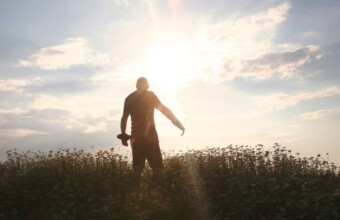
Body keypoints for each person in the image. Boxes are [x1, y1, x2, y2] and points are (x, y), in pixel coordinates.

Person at [119, 77, 185, 186]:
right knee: (156, 166)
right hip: (151, 135)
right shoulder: (150, 96)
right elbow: (164, 110)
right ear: (147, 86)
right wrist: (178, 123)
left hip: (136, 136)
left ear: (136, 86)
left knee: (137, 167)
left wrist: (123, 135)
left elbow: (124, 118)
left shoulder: (129, 98)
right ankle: (157, 192)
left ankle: (135, 193)